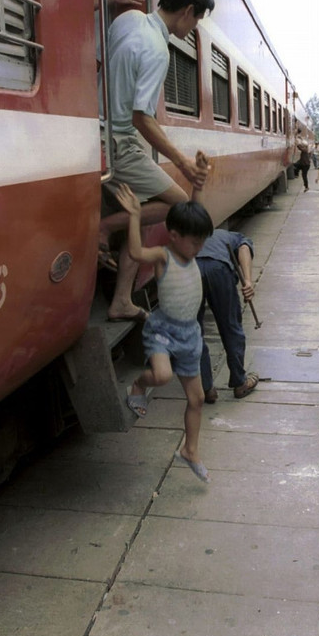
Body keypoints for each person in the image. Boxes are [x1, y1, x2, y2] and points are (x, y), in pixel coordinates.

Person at [98, 0, 214, 322]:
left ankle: (121, 300)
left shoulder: (128, 19)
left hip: (100, 135)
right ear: (188, 10)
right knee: (179, 205)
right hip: (121, 143)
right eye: (196, 21)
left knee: (140, 214)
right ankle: (102, 228)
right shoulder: (158, 50)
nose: (194, 29)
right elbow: (140, 118)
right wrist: (182, 163)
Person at [114, 183, 215, 483]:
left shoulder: (190, 249)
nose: (200, 248)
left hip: (190, 335)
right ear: (174, 236)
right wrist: (134, 215)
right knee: (162, 376)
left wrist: (198, 186)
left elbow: (194, 214)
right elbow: (134, 251)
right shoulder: (163, 256)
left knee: (196, 399)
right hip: (163, 331)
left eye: (201, 242)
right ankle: (137, 386)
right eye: (196, 242)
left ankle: (191, 451)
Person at [196, 228, 259, 402]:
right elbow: (244, 248)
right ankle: (240, 383)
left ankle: (206, 388)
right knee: (231, 326)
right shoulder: (235, 236)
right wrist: (248, 281)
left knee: (194, 331)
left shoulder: (195, 234)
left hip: (191, 269)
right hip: (219, 269)